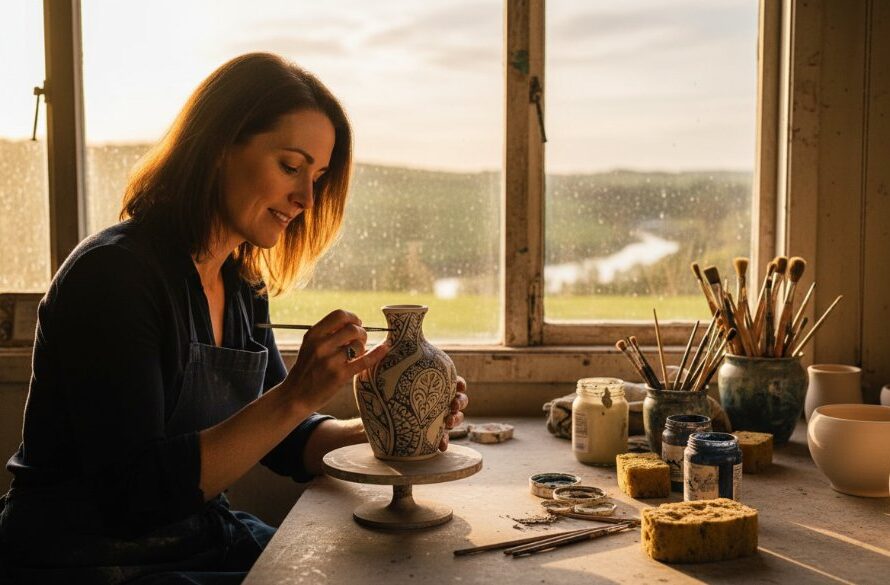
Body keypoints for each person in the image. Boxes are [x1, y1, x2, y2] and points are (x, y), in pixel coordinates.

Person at [0, 53, 468, 584]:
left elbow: (287, 440)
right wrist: (298, 393)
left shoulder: (241, 283)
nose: (307, 199)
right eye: (291, 167)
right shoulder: (115, 277)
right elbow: (133, 494)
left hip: (201, 538)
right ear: (218, 147)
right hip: (88, 560)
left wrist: (397, 427)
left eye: (318, 176)